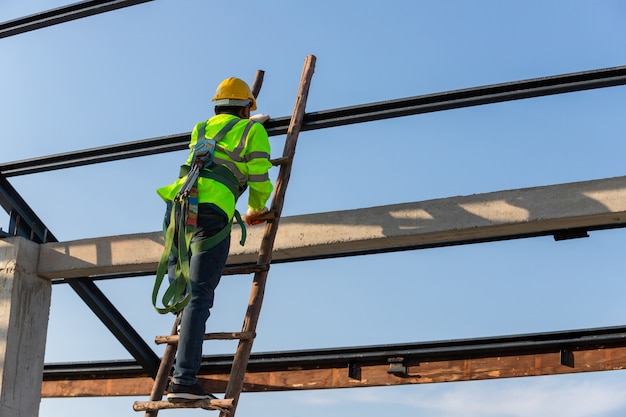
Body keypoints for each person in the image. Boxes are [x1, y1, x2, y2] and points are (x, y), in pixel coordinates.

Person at [156, 77, 274, 401]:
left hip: (178, 210)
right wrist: (256, 208)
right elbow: (260, 175)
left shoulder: (201, 129)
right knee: (198, 296)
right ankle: (183, 381)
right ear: (247, 107)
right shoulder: (254, 131)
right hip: (211, 213)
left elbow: (218, 152)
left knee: (184, 291)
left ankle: (178, 373)